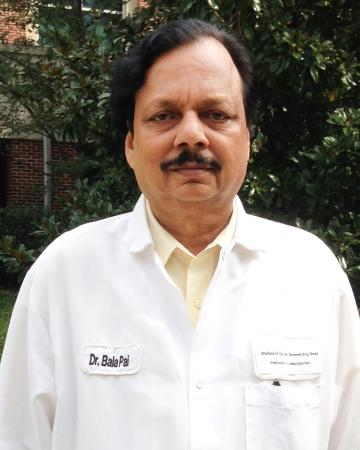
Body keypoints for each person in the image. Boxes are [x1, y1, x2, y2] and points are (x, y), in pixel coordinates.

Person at [0, 18, 359, 450]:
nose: (191, 135)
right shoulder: (64, 276)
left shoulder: (311, 275)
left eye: (216, 115)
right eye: (165, 115)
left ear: (246, 139)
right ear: (130, 144)